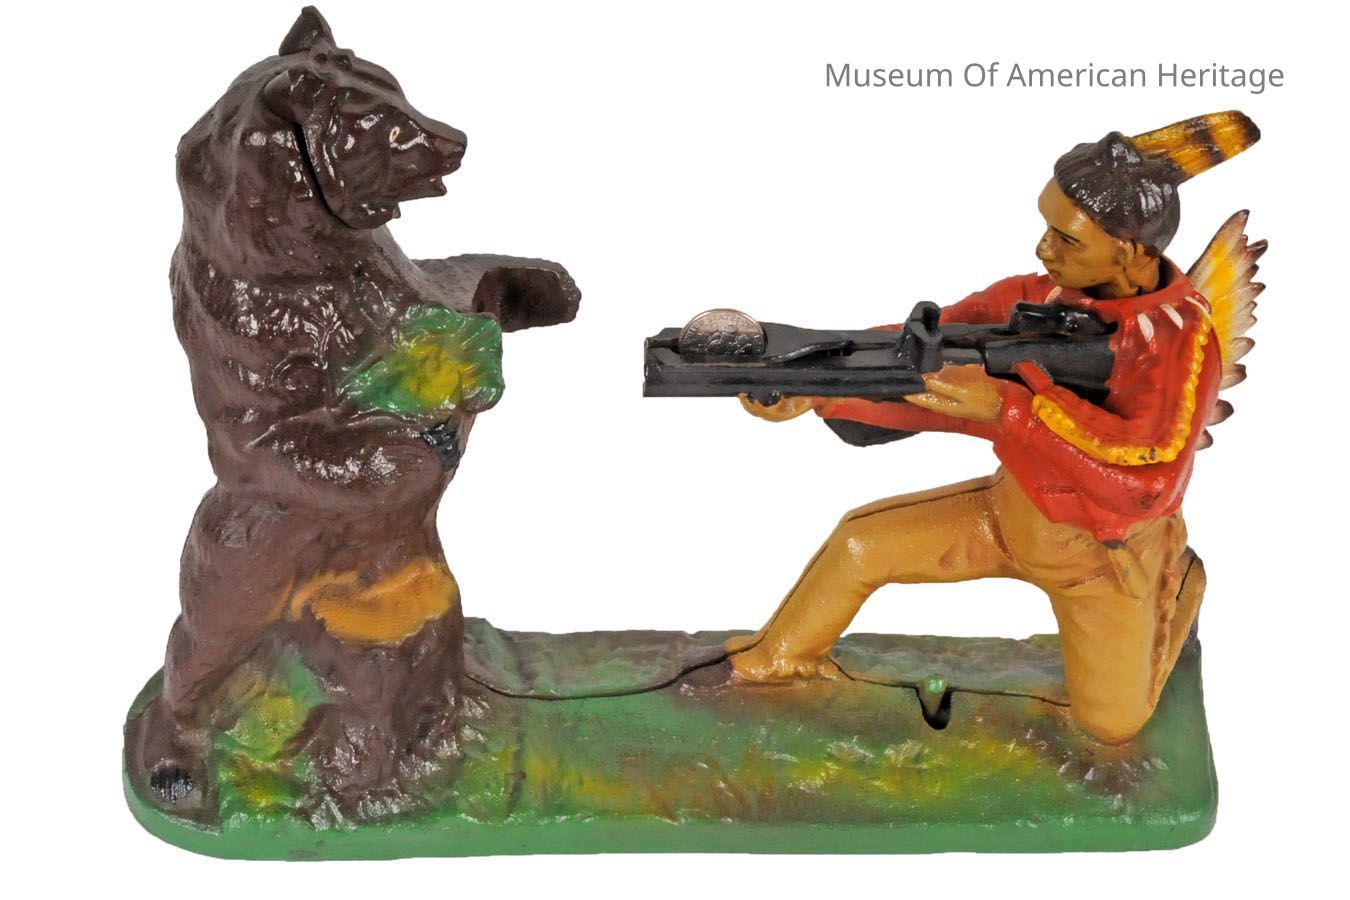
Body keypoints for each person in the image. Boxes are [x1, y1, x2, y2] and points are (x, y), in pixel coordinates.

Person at [726, 111, 1264, 744]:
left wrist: (1009, 412)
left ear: (1127, 251)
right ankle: (775, 662)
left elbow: (1147, 485)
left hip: (1102, 555)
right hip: (1010, 516)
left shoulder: (1180, 344)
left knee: (1112, 725)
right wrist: (816, 387)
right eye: (1047, 227)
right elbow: (925, 365)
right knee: (859, 546)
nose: (1044, 249)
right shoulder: (1039, 299)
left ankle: (1177, 589)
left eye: (1066, 239)